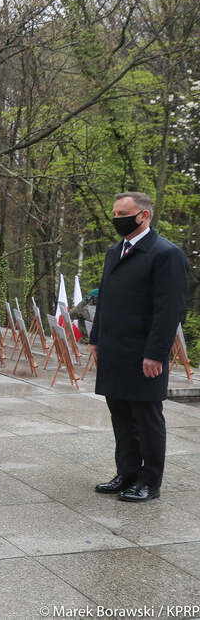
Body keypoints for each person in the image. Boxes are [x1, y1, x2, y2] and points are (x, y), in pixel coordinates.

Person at [89, 192, 188, 502]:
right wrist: (96, 338)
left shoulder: (166, 254)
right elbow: (105, 299)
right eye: (115, 213)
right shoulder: (115, 251)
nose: (117, 219)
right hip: (114, 350)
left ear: (144, 216)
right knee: (120, 417)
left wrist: (155, 354)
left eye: (123, 214)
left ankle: (149, 481)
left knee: (147, 419)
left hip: (144, 353)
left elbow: (169, 310)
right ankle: (127, 474)